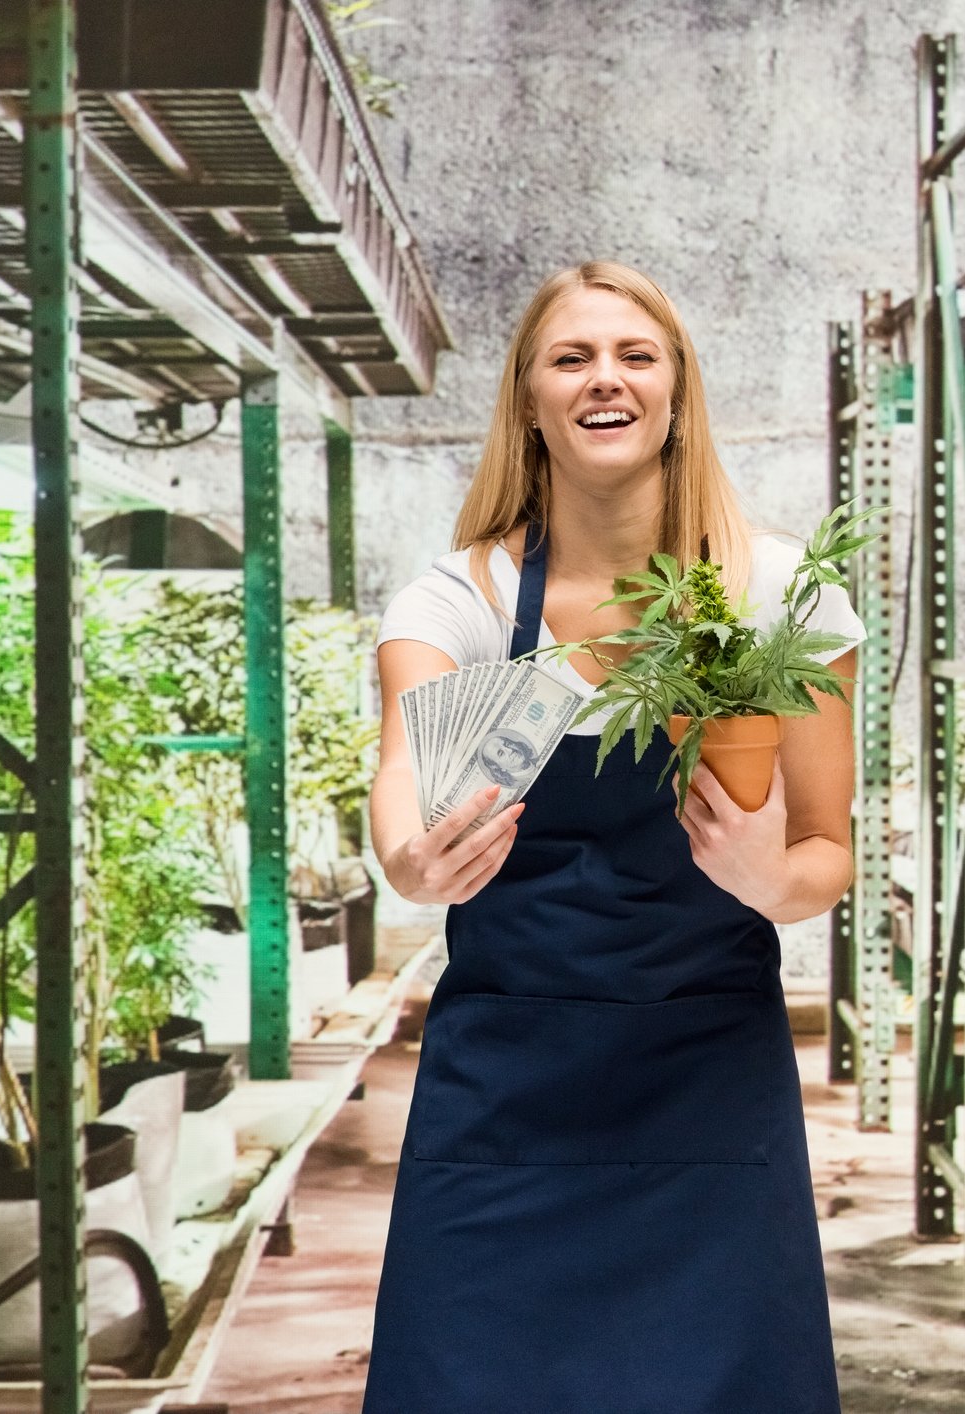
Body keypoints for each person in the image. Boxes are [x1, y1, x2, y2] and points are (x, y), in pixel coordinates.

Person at [363, 260, 859, 1413]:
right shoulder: (466, 600)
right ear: (528, 400)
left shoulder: (774, 594)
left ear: (678, 392)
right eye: (571, 357)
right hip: (508, 1087)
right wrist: (407, 860)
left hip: (706, 1077)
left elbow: (826, 846)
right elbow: (402, 778)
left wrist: (765, 876)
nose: (606, 379)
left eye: (637, 356)